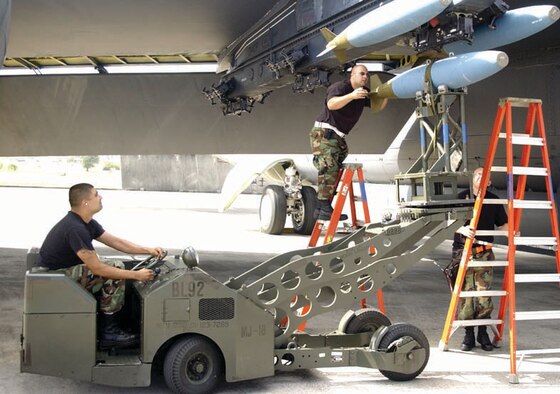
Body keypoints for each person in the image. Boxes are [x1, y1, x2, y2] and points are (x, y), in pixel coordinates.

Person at [37, 183, 164, 348]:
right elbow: (97, 268)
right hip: (55, 279)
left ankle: (114, 321)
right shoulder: (75, 228)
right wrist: (137, 275)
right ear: (85, 202)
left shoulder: (86, 222)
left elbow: (117, 242)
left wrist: (148, 250)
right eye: (96, 194)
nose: (101, 197)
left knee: (113, 264)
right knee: (115, 269)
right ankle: (109, 332)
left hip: (62, 273)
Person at [452, 167, 508, 351]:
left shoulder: (493, 200)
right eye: (478, 175)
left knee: (484, 297)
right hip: (464, 253)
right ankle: (468, 335)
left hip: (484, 255)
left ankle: (482, 333)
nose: (482, 178)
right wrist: (461, 229)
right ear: (472, 178)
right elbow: (447, 222)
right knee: (466, 297)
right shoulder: (461, 198)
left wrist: (508, 231)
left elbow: (504, 225)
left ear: (490, 182)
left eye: (486, 177)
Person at [310, 64, 371, 220]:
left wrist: (385, 94)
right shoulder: (341, 87)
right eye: (361, 73)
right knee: (329, 166)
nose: (365, 77)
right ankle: (324, 207)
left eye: (367, 74)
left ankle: (320, 207)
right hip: (325, 133)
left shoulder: (363, 94)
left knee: (335, 163)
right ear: (352, 75)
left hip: (338, 136)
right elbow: (331, 104)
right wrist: (352, 96)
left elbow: (377, 105)